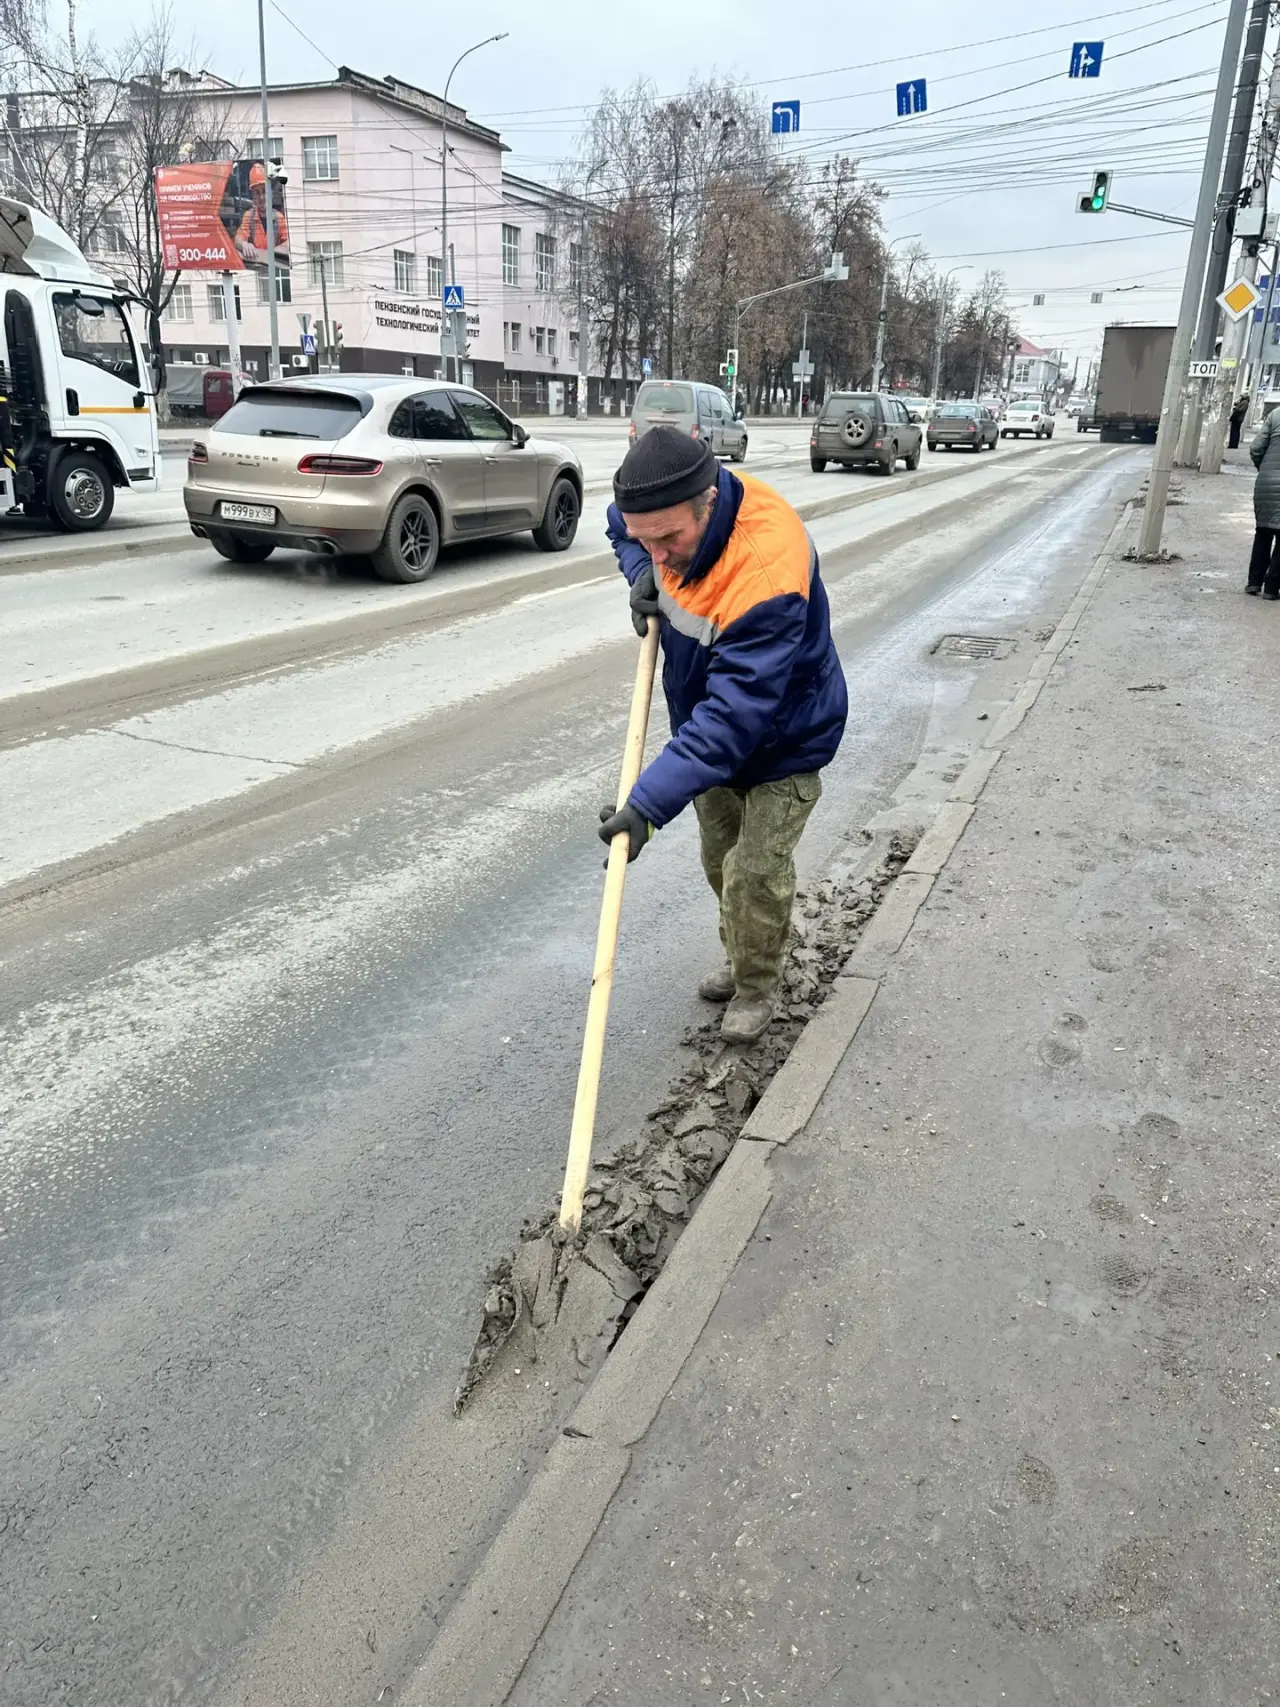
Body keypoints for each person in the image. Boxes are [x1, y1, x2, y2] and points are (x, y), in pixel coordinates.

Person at [599, 427, 848, 1043]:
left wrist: (647, 808)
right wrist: (642, 571)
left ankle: (758, 985)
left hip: (784, 741)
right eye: (643, 539)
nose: (657, 553)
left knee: (754, 873)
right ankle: (743, 953)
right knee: (719, 861)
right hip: (707, 734)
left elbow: (734, 719)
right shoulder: (655, 516)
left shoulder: (765, 567)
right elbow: (620, 527)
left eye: (668, 540)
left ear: (708, 503)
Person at [1247, 405, 1280, 596]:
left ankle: (1254, 582)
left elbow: (1256, 448)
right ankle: (1272, 588)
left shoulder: (1275, 414)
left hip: (1266, 482)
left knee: (1263, 531)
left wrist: (1265, 468)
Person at [234, 162, 289, 265]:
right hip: (256, 266)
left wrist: (275, 251)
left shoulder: (279, 218)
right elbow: (238, 238)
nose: (262, 197)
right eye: (257, 193)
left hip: (274, 266)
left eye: (264, 191)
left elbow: (289, 242)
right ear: (253, 195)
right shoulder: (249, 216)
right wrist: (244, 244)